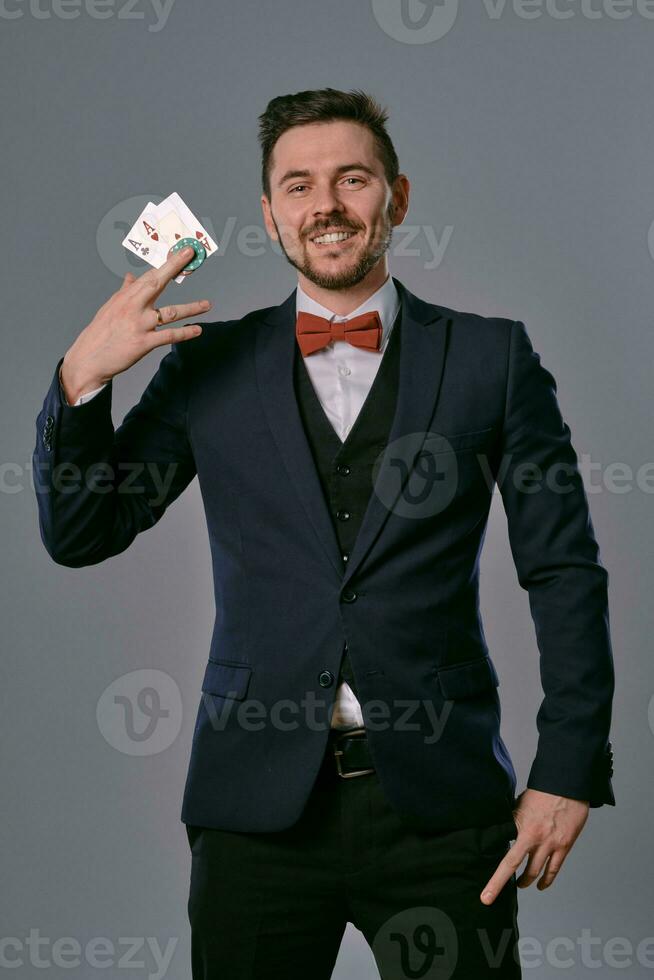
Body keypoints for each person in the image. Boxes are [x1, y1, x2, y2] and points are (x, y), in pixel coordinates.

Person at [33, 87, 615, 979]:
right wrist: (81, 376)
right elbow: (81, 533)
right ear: (269, 215)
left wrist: (568, 770)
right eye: (298, 186)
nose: (327, 205)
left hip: (442, 804)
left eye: (352, 178)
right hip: (253, 812)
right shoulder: (208, 365)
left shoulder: (493, 359)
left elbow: (565, 570)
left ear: (398, 197)